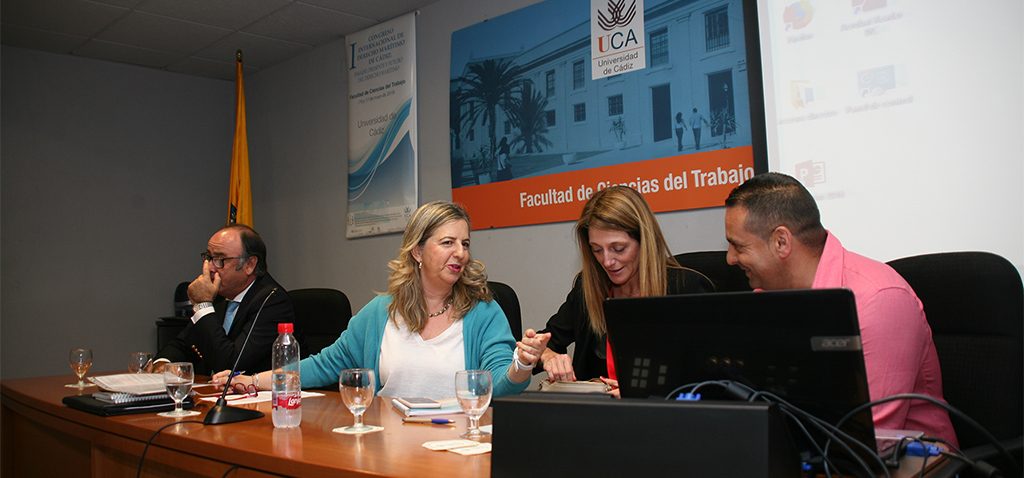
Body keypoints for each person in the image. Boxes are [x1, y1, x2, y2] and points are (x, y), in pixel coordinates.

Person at [215, 201, 546, 399]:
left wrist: (522, 364)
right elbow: (324, 365)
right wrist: (254, 381)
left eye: (465, 243)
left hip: (457, 448)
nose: (460, 252)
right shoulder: (380, 312)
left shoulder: (484, 312)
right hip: (387, 444)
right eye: (448, 242)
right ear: (417, 251)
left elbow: (501, 384)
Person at [723, 172, 957, 445]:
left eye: (738, 246)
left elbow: (866, 440)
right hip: (810, 452)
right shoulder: (768, 297)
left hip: (907, 460)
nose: (730, 258)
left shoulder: (877, 299)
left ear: (781, 242)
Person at [538, 186, 714, 394]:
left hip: (662, 412)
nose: (607, 261)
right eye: (597, 250)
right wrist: (547, 355)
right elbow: (543, 342)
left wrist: (643, 394)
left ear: (644, 241)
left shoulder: (687, 290)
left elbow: (710, 377)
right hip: (598, 411)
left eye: (618, 249)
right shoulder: (588, 289)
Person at [154, 225, 296, 376]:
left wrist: (203, 305)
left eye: (220, 259)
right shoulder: (220, 295)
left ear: (249, 265)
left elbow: (231, 366)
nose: (210, 268)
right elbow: (183, 343)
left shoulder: (272, 301)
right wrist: (163, 362)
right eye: (209, 258)